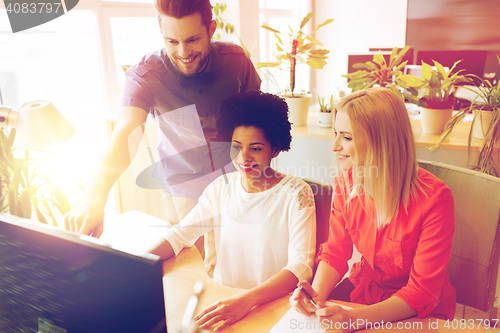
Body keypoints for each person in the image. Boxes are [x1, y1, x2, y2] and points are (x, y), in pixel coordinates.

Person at [63, 0, 261, 248]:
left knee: (242, 258)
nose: (183, 53)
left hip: (237, 183)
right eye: (172, 42)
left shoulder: (237, 61)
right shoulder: (146, 76)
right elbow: (126, 132)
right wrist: (94, 197)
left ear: (211, 29)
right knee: (195, 269)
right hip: (186, 194)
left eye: (192, 40)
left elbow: (257, 117)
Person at [290, 87, 456, 331]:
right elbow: (336, 252)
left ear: (382, 143)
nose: (335, 146)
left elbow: (422, 291)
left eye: (347, 137)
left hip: (419, 310)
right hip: (366, 291)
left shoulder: (435, 199)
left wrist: (355, 320)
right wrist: (315, 295)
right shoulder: (345, 183)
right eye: (335, 133)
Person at [148, 91, 316, 332]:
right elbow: (180, 235)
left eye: (255, 149)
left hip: (271, 307)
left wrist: (247, 300)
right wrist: (136, 263)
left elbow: (300, 267)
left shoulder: (296, 194)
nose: (243, 158)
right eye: (236, 146)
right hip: (222, 302)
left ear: (275, 149)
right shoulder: (220, 188)